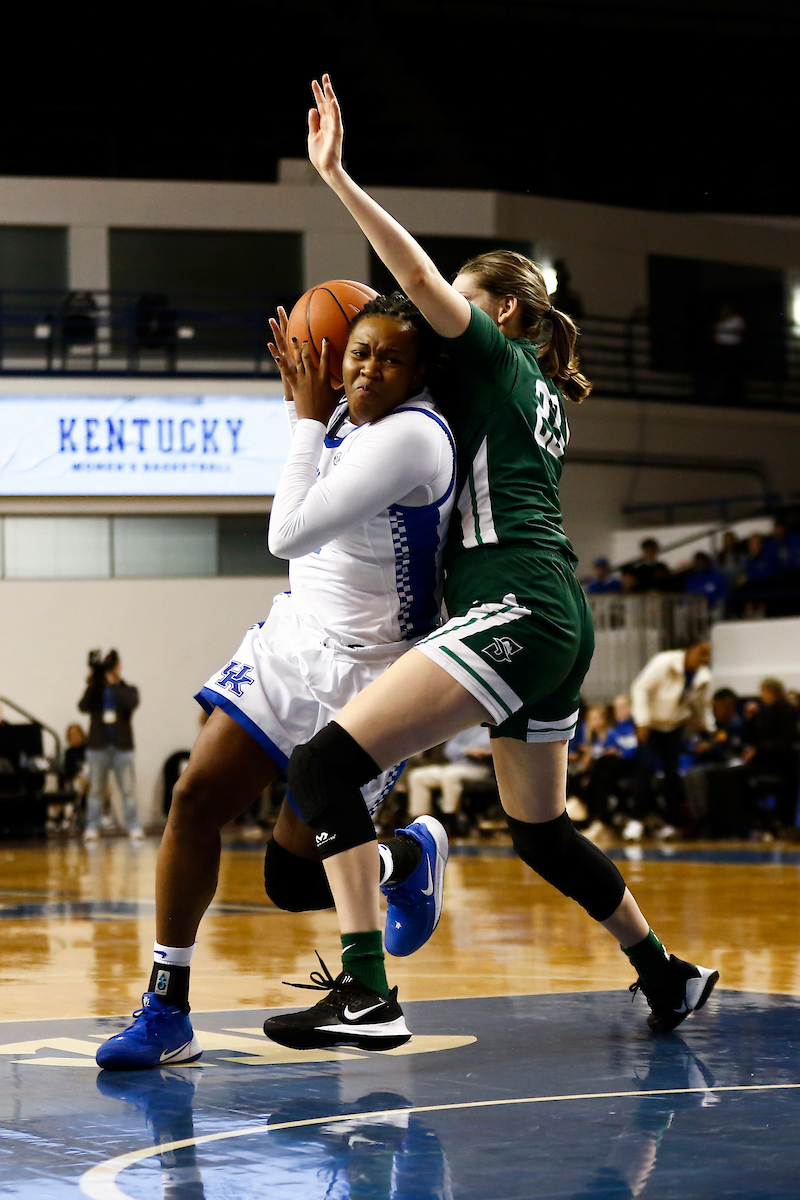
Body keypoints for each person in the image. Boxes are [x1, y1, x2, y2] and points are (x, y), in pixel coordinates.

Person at [261, 75, 719, 1054]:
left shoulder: (499, 362)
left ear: (504, 312)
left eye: (464, 303)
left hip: (514, 604)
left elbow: (414, 278)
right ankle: (665, 973)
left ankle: (367, 993)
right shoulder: (528, 391)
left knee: (322, 766)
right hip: (554, 614)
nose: (442, 316)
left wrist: (336, 179)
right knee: (539, 830)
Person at [95, 292, 458, 1070]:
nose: (366, 369)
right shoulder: (346, 409)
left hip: (370, 676)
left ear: (421, 370)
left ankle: (404, 858)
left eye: (388, 357)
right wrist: (312, 391)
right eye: (356, 351)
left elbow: (284, 532)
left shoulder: (415, 435)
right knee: (194, 797)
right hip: (292, 643)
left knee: (292, 882)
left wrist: (303, 417)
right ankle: (165, 1011)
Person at [628, 641, 713, 841]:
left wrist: (709, 729)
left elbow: (703, 706)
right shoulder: (664, 662)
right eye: (701, 653)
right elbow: (640, 688)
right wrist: (642, 721)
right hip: (651, 725)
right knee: (646, 769)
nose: (704, 659)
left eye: (708, 655)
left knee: (672, 774)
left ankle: (671, 823)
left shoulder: (703, 676)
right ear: (690, 649)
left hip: (674, 726)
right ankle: (636, 820)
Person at [78, 651, 142, 841]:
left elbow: (131, 703)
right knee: (96, 790)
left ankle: (133, 826)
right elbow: (83, 706)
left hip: (122, 747)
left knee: (128, 789)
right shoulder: (95, 689)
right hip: (98, 747)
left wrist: (113, 684)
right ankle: (92, 826)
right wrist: (94, 683)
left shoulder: (127, 689)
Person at [405, 725, 493, 828]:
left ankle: (449, 819)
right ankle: (419, 821)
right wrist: (466, 750)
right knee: (418, 776)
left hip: (480, 767)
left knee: (450, 776)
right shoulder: (467, 725)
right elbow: (449, 750)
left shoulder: (490, 726)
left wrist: (483, 752)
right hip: (456, 765)